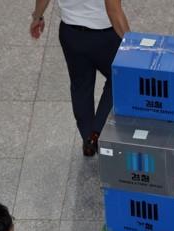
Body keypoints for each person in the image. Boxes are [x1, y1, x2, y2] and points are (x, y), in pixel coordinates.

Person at [30, 0, 130, 156]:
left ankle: (88, 141)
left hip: (70, 33)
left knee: (81, 86)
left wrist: (37, 17)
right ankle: (97, 133)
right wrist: (131, 44)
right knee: (122, 79)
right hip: (105, 37)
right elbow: (113, 11)